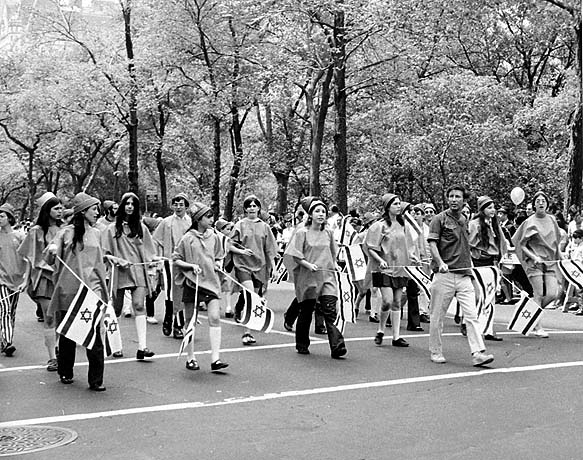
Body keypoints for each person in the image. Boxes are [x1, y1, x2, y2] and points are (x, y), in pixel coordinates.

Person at [46, 193, 107, 391]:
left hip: (92, 289)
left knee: (95, 335)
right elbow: (49, 256)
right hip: (69, 289)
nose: (97, 213)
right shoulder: (65, 232)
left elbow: (100, 261)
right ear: (82, 211)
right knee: (68, 334)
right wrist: (52, 250)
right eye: (94, 209)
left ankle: (96, 380)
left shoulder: (98, 233)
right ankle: (65, 371)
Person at [427, 185, 494, 366]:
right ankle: (436, 350)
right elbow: (432, 245)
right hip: (444, 275)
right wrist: (440, 263)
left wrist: (472, 275)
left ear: (464, 200)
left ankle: (478, 353)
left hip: (464, 274)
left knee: (471, 315)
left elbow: (467, 248)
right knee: (437, 316)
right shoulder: (438, 219)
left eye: (458, 196)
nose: (454, 199)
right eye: (451, 196)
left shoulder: (466, 220)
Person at [284, 199, 347, 358]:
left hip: (327, 277)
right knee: (306, 311)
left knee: (330, 311)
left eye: (323, 212)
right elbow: (296, 256)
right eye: (317, 211)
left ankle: (337, 346)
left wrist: (335, 265)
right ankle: (302, 343)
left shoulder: (329, 233)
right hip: (308, 277)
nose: (321, 214)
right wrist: (308, 265)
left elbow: (333, 253)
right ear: (310, 215)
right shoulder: (302, 233)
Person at [102, 192, 160, 359]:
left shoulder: (141, 228)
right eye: (127, 203)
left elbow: (149, 251)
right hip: (119, 271)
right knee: (117, 308)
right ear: (121, 206)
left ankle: (143, 347)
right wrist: (117, 260)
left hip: (138, 271)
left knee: (139, 305)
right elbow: (105, 254)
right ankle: (115, 344)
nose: (129, 206)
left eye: (133, 204)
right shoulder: (111, 229)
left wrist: (157, 259)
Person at [173, 202, 229, 372]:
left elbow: (219, 256)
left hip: (211, 283)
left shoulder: (215, 236)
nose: (212, 220)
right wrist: (190, 266)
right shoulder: (187, 238)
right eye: (208, 216)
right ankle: (190, 357)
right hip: (193, 283)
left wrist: (218, 264)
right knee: (190, 321)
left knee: (215, 317)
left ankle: (215, 358)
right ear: (198, 219)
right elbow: (176, 259)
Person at [18, 192, 63, 371]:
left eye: (61, 208)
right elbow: (29, 257)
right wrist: (25, 279)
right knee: (49, 317)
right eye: (56, 208)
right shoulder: (36, 231)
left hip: (61, 278)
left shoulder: (65, 230)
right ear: (47, 210)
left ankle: (57, 348)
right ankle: (52, 357)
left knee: (60, 317)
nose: (60, 211)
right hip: (43, 279)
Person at [512, 191, 562, 338]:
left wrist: (561, 256)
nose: (541, 203)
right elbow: (522, 245)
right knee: (539, 294)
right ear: (534, 204)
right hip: (534, 263)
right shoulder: (529, 222)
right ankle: (538, 326)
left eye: (543, 201)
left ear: (547, 204)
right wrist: (534, 257)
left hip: (551, 261)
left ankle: (530, 311)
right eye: (538, 201)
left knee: (553, 294)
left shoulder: (552, 220)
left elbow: (556, 242)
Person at [231, 195, 278, 345]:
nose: (252, 208)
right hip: (243, 265)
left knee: (255, 297)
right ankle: (247, 333)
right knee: (250, 294)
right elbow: (229, 244)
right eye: (249, 206)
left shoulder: (265, 227)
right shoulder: (239, 224)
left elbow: (270, 250)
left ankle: (241, 310)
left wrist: (274, 268)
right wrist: (241, 252)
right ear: (245, 209)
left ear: (259, 208)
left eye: (254, 205)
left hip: (260, 266)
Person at [366, 194, 411, 347]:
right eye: (395, 204)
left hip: (399, 268)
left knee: (398, 301)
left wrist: (412, 258)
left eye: (399, 203)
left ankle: (396, 337)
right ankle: (380, 330)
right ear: (387, 207)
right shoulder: (379, 226)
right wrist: (381, 260)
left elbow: (408, 246)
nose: (399, 206)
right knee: (387, 301)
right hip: (383, 269)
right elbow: (371, 247)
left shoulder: (403, 225)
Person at [152, 192, 192, 338]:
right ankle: (169, 318)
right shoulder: (166, 222)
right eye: (176, 204)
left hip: (186, 263)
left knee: (182, 293)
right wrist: (157, 256)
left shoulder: (190, 222)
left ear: (186, 206)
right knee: (170, 292)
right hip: (169, 262)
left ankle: (178, 326)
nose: (178, 207)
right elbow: (155, 240)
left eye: (181, 204)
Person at [468, 196, 507, 341]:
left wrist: (499, 262)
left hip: (492, 263)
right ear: (482, 209)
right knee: (478, 297)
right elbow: (469, 244)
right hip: (478, 262)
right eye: (489, 207)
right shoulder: (474, 224)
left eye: (493, 207)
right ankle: (471, 324)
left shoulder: (495, 223)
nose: (493, 210)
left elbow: (501, 244)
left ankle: (488, 329)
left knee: (491, 297)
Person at [0, 203, 26, 358]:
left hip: (16, 279)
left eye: (2, 216)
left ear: (10, 218)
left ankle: (5, 338)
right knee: (5, 310)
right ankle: (8, 342)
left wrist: (25, 279)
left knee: (11, 312)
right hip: (1, 279)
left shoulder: (20, 237)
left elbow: (28, 258)